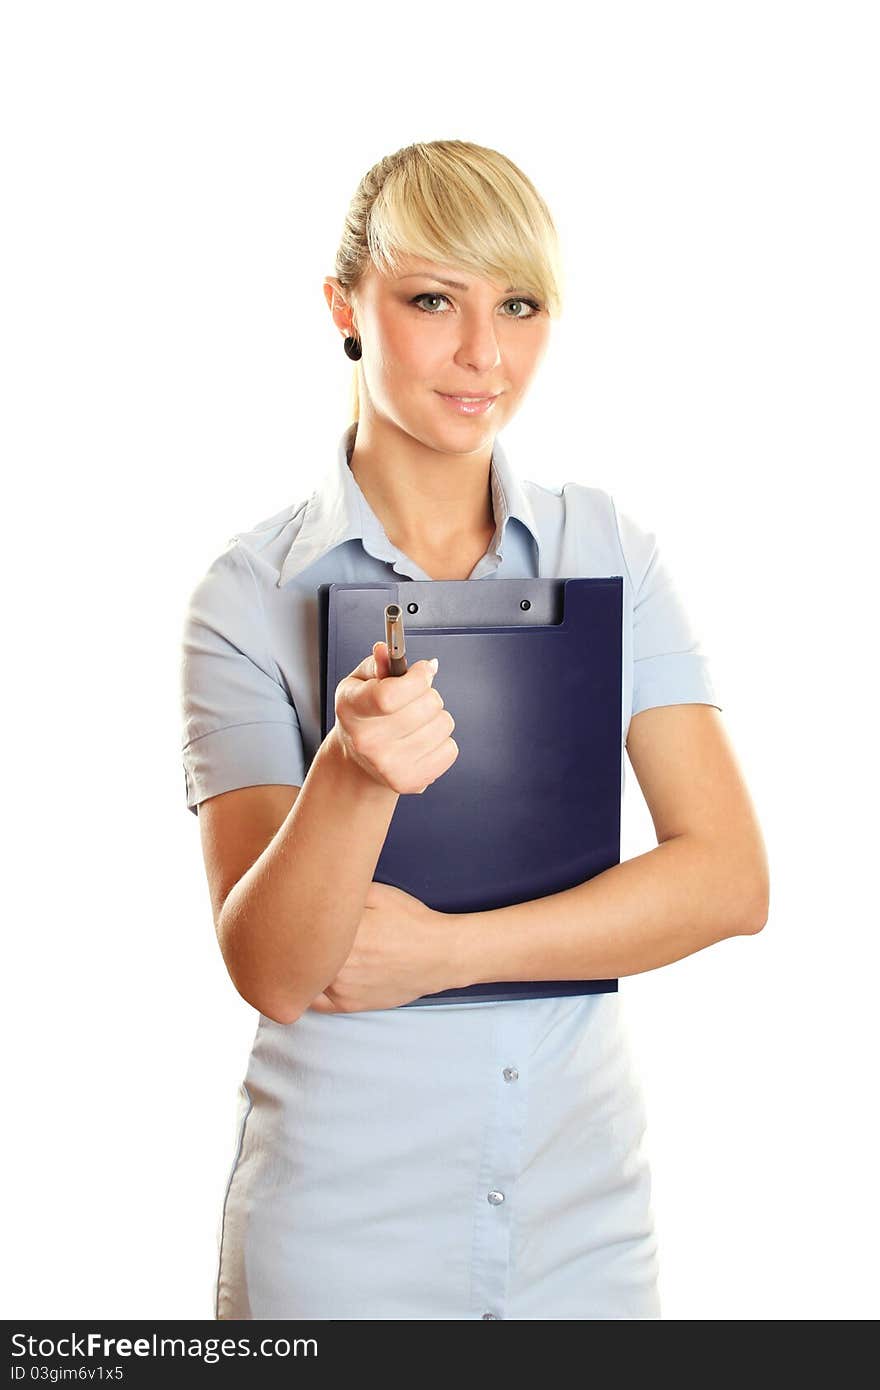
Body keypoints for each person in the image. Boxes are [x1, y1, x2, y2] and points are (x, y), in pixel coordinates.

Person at [179, 139, 769, 1321]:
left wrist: (449, 952)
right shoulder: (246, 593)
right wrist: (351, 772)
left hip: (577, 1209)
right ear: (345, 303)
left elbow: (728, 880)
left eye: (519, 305)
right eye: (432, 301)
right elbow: (274, 969)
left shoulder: (608, 549)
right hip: (344, 1218)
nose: (483, 355)